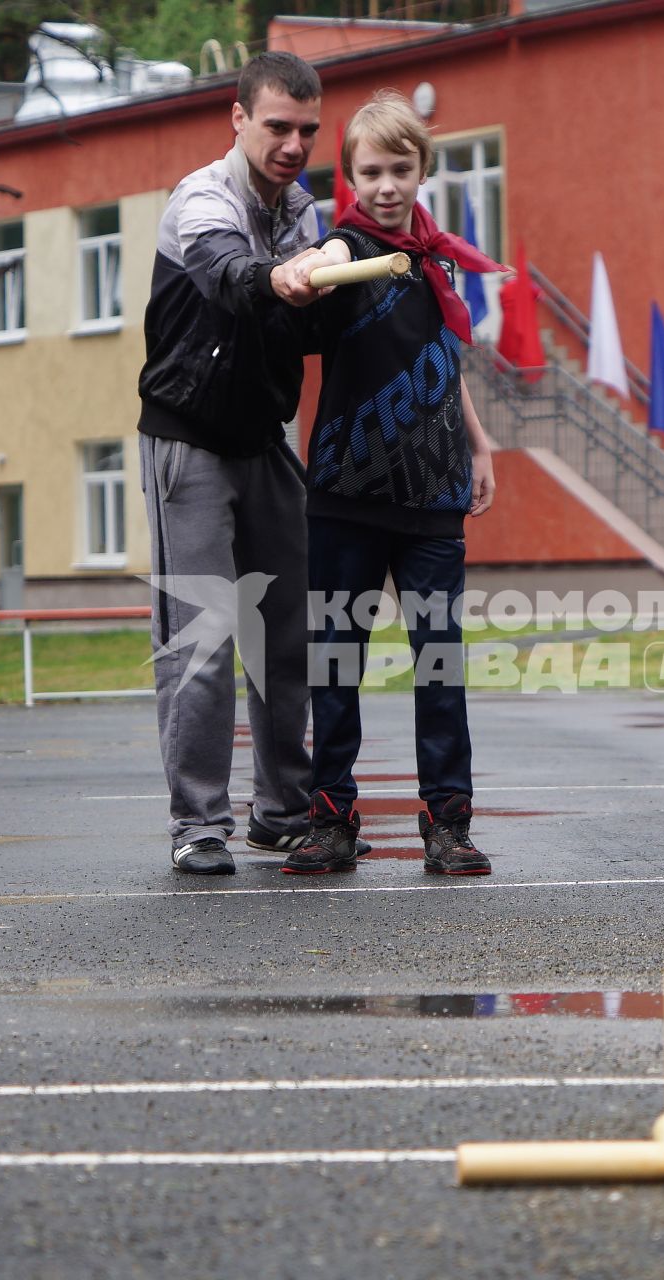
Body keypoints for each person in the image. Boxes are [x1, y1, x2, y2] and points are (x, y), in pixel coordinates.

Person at [278, 89, 503, 878]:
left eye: (399, 169)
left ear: (421, 170)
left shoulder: (438, 260)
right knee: (336, 663)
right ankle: (333, 821)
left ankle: (448, 824)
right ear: (349, 176)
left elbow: (448, 359)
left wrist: (479, 445)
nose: (385, 185)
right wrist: (310, 267)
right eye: (370, 171)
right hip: (346, 494)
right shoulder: (348, 250)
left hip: (435, 495)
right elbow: (329, 260)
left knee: (439, 666)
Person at [135, 52, 336, 876]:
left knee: (287, 635)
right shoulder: (202, 198)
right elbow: (226, 275)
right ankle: (199, 821)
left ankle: (284, 809)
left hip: (264, 440)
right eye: (278, 126)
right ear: (239, 117)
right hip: (187, 440)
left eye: (307, 131)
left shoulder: (303, 213)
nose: (293, 144)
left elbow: (316, 327)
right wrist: (283, 276)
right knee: (206, 636)